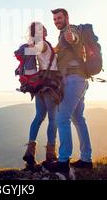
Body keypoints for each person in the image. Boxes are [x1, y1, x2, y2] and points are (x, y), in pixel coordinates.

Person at [44, 9, 93, 175]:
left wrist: (72, 37)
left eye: (59, 18)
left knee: (62, 117)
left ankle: (64, 161)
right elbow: (58, 50)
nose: (57, 21)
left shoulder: (70, 30)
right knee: (78, 119)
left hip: (73, 80)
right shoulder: (61, 36)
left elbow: (74, 38)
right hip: (80, 80)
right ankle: (86, 159)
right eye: (55, 19)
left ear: (66, 18)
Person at [21, 22, 63, 168]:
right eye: (42, 29)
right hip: (51, 85)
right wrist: (33, 47)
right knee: (53, 119)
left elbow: (38, 51)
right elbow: (39, 49)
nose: (45, 31)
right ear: (40, 32)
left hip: (39, 85)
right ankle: (51, 154)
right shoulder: (43, 44)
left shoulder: (41, 44)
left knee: (39, 117)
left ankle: (30, 150)